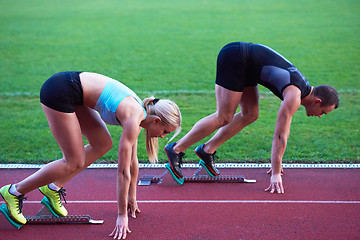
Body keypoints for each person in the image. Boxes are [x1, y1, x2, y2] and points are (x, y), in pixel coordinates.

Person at [0, 71, 181, 239]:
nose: (163, 136)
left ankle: (52, 188)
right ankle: (14, 191)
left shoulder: (140, 114)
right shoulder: (134, 117)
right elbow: (123, 171)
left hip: (75, 94)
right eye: (165, 131)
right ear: (156, 120)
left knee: (102, 144)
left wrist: (131, 198)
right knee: (74, 161)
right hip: (59, 91)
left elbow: (133, 163)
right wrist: (121, 215)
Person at [164, 41, 339, 192]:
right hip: (236, 57)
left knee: (250, 114)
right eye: (323, 112)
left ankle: (206, 150)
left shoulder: (301, 89)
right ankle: (176, 149)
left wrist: (276, 164)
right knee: (224, 116)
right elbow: (280, 136)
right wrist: (276, 172)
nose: (320, 116)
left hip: (247, 64)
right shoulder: (294, 95)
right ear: (317, 101)